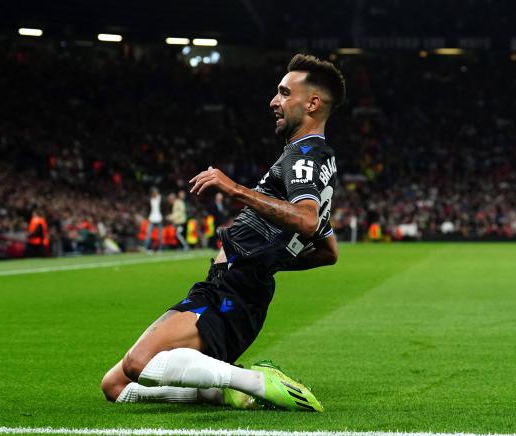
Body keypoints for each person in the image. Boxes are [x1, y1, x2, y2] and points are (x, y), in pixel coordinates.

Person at [101, 54, 345, 412]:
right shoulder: (320, 161)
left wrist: (235, 190)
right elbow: (328, 251)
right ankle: (224, 392)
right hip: (240, 288)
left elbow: (307, 221)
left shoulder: (303, 155)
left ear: (312, 102)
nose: (273, 101)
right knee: (115, 385)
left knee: (138, 365)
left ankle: (258, 381)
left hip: (232, 292)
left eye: (283, 92)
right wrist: (267, 263)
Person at [143, 187, 163, 252]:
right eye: (154, 192)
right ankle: (147, 248)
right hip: (152, 218)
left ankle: (160, 249)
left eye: (156, 192)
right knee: (148, 234)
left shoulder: (159, 198)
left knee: (160, 235)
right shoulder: (150, 200)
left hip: (159, 218)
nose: (155, 193)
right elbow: (147, 209)